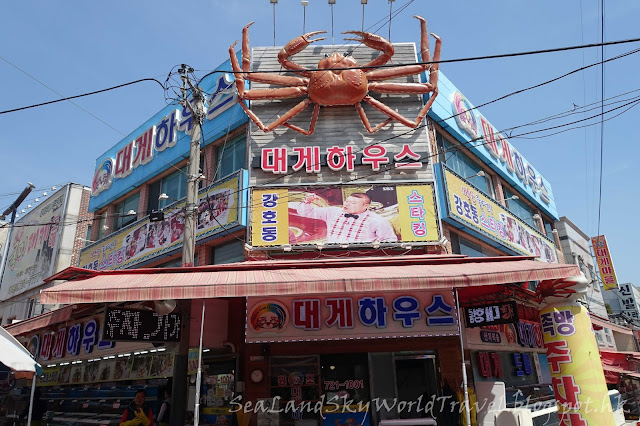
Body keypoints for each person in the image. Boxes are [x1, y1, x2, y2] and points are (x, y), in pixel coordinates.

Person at [296, 192, 398, 243]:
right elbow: (306, 213)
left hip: (361, 257)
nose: (347, 204)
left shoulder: (377, 221)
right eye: (347, 201)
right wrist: (307, 201)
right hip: (332, 254)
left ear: (365, 206)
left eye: (353, 203)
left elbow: (390, 240)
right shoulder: (333, 211)